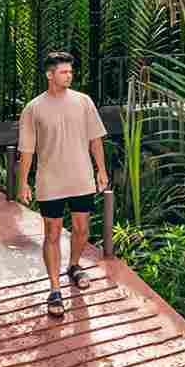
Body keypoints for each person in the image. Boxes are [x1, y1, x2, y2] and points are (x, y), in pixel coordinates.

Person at [17, 51, 109, 318]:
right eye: (63, 72)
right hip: (50, 181)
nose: (69, 75)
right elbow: (27, 150)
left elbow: (95, 140)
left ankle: (74, 265)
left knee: (82, 230)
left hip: (81, 178)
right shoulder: (33, 108)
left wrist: (101, 170)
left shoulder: (83, 102)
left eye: (70, 71)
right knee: (52, 234)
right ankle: (55, 289)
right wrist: (23, 182)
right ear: (50, 75)